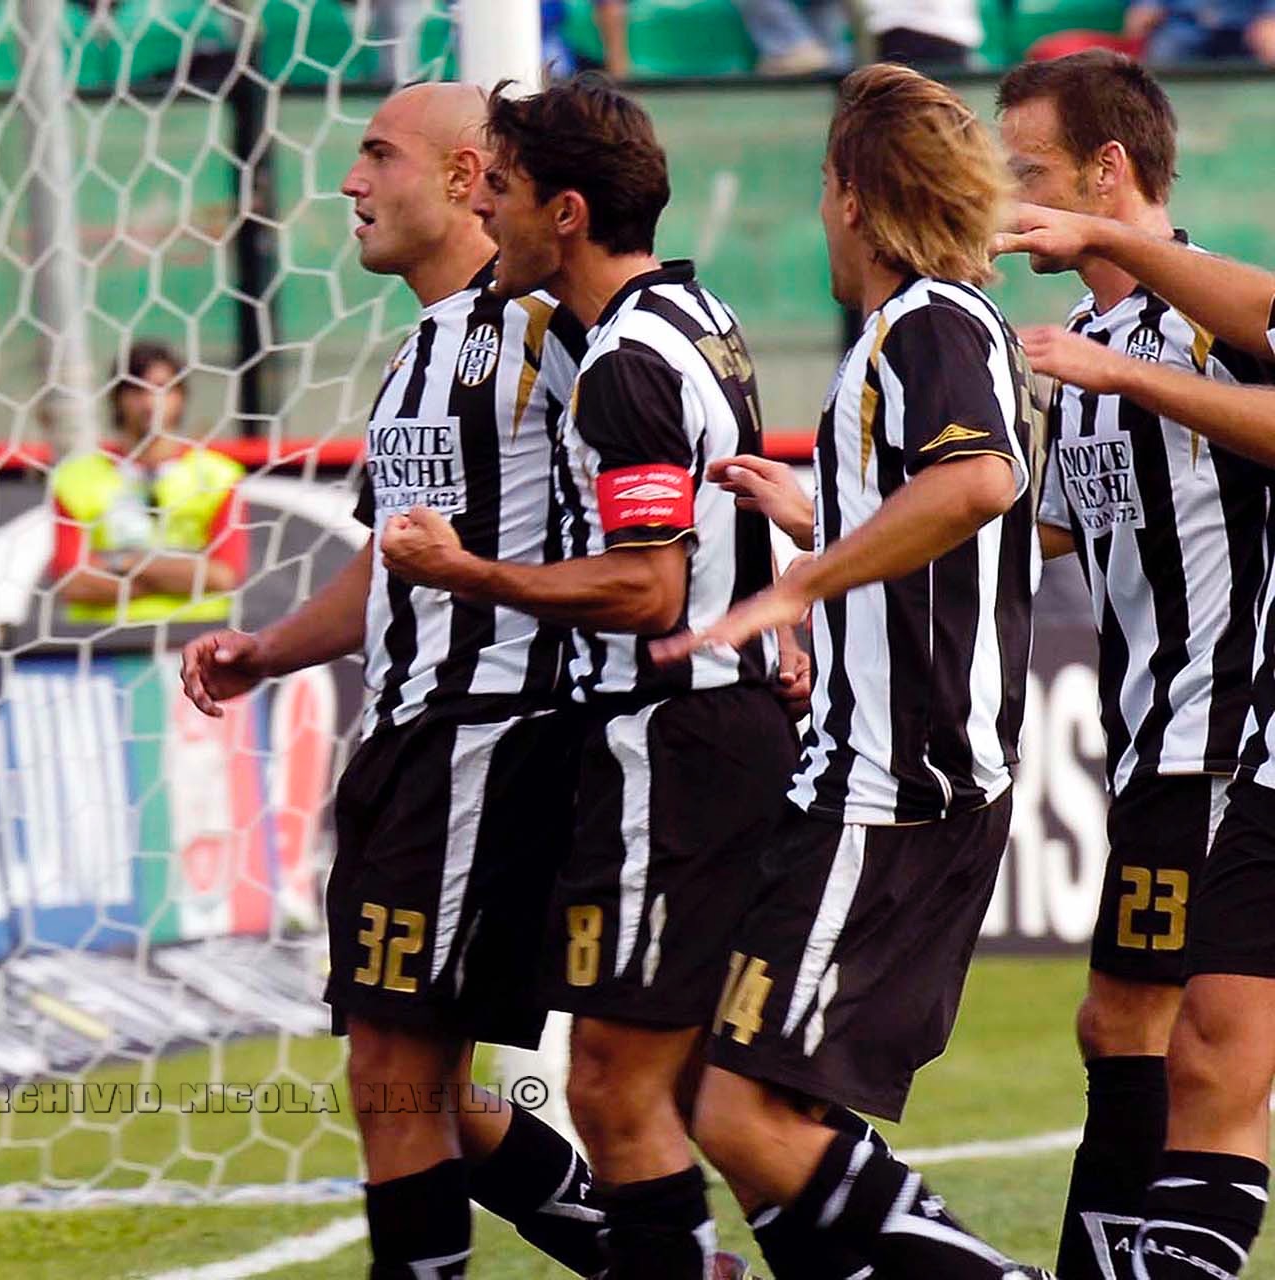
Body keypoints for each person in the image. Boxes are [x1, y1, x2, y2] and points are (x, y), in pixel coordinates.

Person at [180, 82, 604, 1279]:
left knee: (398, 1072)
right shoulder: (426, 344)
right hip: (411, 734)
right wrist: (271, 647)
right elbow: (393, 555)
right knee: (415, 1079)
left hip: (492, 734)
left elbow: (662, 495)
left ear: (469, 176)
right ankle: (654, 1255)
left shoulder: (553, 331)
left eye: (378, 156)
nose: (351, 183)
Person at [380, 73, 797, 1278]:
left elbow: (647, 587)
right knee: (682, 1082)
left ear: (564, 212)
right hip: (700, 730)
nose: (485, 214)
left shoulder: (622, 359)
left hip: (679, 734)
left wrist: (468, 571)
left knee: (622, 1083)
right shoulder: (693, 315)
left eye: (502, 191)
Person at [652, 63, 1054, 1278]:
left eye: (828, 184)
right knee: (757, 1101)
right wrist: (821, 514)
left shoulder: (929, 321)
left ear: (857, 201)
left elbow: (977, 481)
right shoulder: (926, 327)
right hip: (875, 774)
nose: (822, 211)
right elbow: (941, 515)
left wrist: (799, 583)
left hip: (892, 785)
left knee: (740, 1112)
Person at [995, 51, 1275, 1280]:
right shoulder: (1082, 342)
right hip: (1151, 734)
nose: (1010, 203)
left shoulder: (1211, 317)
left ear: (1108, 169)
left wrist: (1129, 375)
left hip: (1226, 731)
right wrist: (833, 532)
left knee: (1159, 1032)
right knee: (1131, 1026)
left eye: (1030, 174)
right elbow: (1047, 531)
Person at [47, 341, 249, 626]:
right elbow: (72, 584)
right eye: (136, 390)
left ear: (181, 396)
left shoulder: (217, 476)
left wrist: (124, 563)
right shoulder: (76, 478)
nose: (150, 402)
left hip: (196, 634)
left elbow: (223, 576)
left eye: (162, 387)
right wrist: (180, 578)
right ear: (117, 397)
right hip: (106, 639)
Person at [1124, 0, 1275, 65]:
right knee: (1164, 52)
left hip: (1244, 25)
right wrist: (1149, 4)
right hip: (1183, 25)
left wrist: (1270, 15)